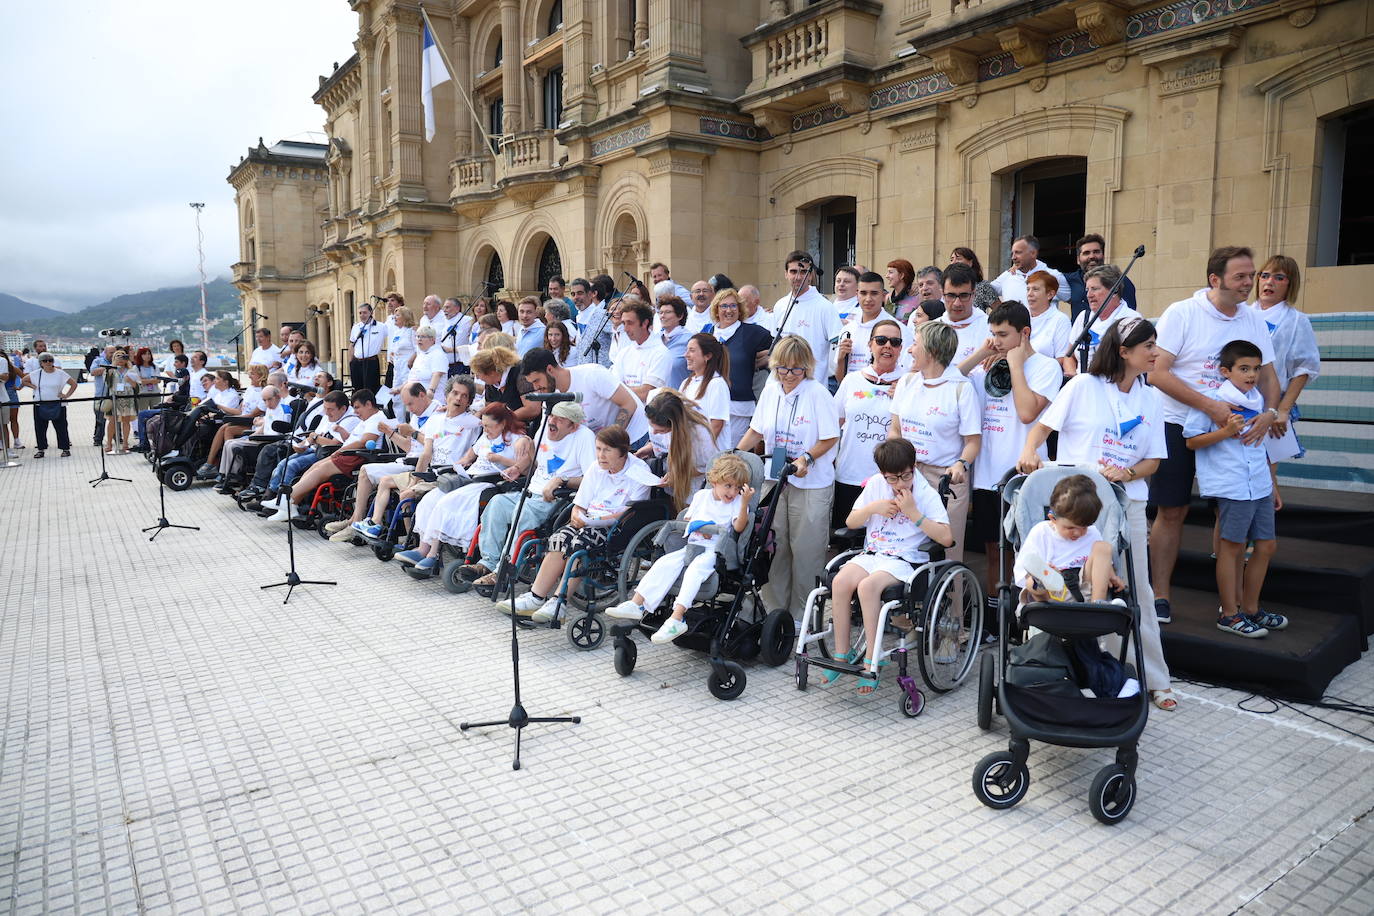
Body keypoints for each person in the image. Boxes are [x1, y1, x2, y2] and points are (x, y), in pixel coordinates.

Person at [1018, 317, 1177, 711]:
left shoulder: (1151, 398)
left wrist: (1127, 471)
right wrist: (1030, 450)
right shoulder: (1083, 386)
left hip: (1127, 501)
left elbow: (1154, 460)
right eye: (1149, 346)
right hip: (1080, 503)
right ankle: (1068, 670)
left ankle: (1154, 678)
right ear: (1124, 352)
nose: (1155, 352)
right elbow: (1042, 427)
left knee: (1136, 587)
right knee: (1073, 584)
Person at [1148, 246, 1280, 626]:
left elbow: (1269, 375)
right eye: (1241, 276)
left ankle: (1234, 606)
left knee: (1231, 511)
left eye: (1251, 275)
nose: (1249, 283)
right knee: (1172, 510)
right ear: (1215, 279)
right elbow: (1157, 374)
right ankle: (1160, 595)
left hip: (1237, 431)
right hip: (1178, 424)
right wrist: (1211, 406)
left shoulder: (1253, 319)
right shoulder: (1183, 313)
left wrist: (1270, 412)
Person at [828, 438, 954, 693]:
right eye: (892, 479)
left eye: (905, 476)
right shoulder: (876, 485)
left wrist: (914, 513)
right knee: (840, 582)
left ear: (914, 466)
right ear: (881, 474)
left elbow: (946, 538)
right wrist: (873, 508)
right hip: (874, 552)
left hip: (905, 559)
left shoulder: (925, 492)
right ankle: (842, 654)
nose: (899, 483)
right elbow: (852, 521)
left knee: (867, 587)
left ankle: (872, 659)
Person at [960, 302, 1062, 609]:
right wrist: (980, 353)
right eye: (992, 334)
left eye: (1003, 335)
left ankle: (1027, 615)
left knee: (1028, 550)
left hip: (1024, 476)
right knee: (994, 550)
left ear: (1025, 332)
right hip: (988, 474)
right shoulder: (988, 362)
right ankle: (995, 615)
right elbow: (950, 379)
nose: (997, 342)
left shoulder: (1047, 367)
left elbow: (1028, 412)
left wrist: (1016, 366)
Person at [1183, 340, 1287, 638]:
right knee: (1232, 548)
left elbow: (1263, 445)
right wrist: (1225, 432)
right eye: (1244, 368)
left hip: (1260, 484)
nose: (1252, 374)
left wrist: (1273, 484)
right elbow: (1191, 441)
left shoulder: (1258, 401)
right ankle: (1229, 614)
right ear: (1226, 371)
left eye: (1255, 368)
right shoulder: (1213, 400)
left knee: (1266, 545)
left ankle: (1251, 610)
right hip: (1232, 485)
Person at [737, 334, 840, 614]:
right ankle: (774, 611)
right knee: (775, 545)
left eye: (796, 368)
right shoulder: (771, 390)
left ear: (806, 367)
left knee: (806, 550)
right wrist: (734, 455)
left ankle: (802, 615)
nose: (789, 374)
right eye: (783, 367)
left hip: (811, 483)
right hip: (775, 479)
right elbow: (756, 430)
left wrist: (807, 457)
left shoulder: (817, 393)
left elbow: (830, 437)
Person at [512, 426, 659, 622]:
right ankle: (536, 596)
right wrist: (577, 516)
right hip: (588, 520)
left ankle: (559, 602)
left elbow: (629, 512)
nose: (600, 455)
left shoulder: (639, 472)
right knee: (559, 538)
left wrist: (597, 520)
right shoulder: (595, 468)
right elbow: (579, 503)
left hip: (615, 527)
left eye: (607, 450)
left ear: (623, 452)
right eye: (598, 449)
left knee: (579, 544)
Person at [608, 452, 755, 644]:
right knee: (664, 563)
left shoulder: (737, 503)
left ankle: (677, 618)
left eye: (737, 488)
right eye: (728, 485)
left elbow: (738, 527)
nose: (732, 492)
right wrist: (699, 525)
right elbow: (686, 519)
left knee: (694, 571)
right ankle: (637, 604)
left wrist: (744, 503)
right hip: (693, 545)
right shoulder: (702, 496)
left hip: (716, 550)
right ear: (714, 481)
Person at [461, 400, 598, 587]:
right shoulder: (545, 430)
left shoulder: (584, 438)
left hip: (555, 498)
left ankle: (502, 570)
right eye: (551, 416)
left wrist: (561, 480)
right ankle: (488, 562)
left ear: (573, 425)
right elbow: (536, 463)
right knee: (496, 503)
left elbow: (592, 480)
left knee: (521, 513)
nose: (552, 421)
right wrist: (519, 463)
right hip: (530, 493)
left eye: (559, 419)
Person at [394, 401, 534, 564]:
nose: (485, 430)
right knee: (429, 500)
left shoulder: (518, 441)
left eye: (489, 426)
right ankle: (421, 548)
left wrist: (500, 459)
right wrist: (460, 463)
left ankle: (432, 554)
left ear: (503, 424)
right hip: (470, 477)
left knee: (444, 503)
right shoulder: (486, 436)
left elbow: (525, 468)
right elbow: (470, 454)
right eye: (484, 425)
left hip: (489, 482)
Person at [890, 321, 980, 562]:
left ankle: (952, 600)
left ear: (931, 351)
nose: (909, 349)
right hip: (907, 475)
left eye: (915, 344)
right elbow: (895, 429)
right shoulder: (907, 382)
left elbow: (973, 441)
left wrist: (961, 464)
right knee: (905, 549)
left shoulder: (961, 388)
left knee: (946, 554)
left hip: (945, 480)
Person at [832, 316, 906, 530]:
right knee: (845, 539)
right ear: (870, 343)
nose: (888, 346)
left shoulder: (909, 382)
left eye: (895, 342)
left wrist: (903, 395)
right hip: (849, 474)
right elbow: (835, 423)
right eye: (881, 340)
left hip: (889, 479)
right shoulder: (852, 380)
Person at [1012, 475, 1123, 606]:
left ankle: (1098, 604)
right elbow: (1021, 574)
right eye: (1070, 527)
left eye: (1084, 527)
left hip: (1084, 587)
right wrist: (1047, 573)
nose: (1077, 532)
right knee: (1032, 582)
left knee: (1103, 548)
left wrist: (1112, 576)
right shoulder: (1041, 532)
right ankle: (1041, 579)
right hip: (1050, 595)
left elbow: (1103, 563)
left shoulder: (1092, 533)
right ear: (1053, 519)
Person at [1251, 255, 1320, 455]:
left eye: (1279, 277)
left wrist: (1282, 409)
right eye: (1265, 275)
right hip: (1237, 403)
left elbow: (1304, 368)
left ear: (1291, 284)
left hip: (1272, 404)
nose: (1269, 282)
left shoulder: (1297, 320)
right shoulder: (1241, 314)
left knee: (1265, 473)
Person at [521, 347, 649, 446]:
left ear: (550, 370)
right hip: (606, 446)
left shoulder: (592, 374)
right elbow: (545, 435)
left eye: (536, 380)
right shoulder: (550, 397)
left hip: (636, 436)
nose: (535, 387)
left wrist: (610, 439)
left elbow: (629, 404)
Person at [711, 288, 771, 447]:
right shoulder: (708, 333)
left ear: (740, 309)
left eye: (733, 306)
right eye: (724, 306)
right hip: (710, 406)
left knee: (730, 457)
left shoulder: (752, 333)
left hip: (738, 409)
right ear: (716, 309)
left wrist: (761, 361)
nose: (729, 310)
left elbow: (781, 347)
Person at [1061, 264, 1141, 376]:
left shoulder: (1131, 320)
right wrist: (1073, 375)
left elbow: (1135, 363)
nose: (1089, 295)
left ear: (1114, 290)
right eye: (1087, 290)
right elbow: (1069, 356)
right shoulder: (1083, 317)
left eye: (1095, 289)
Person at [773, 250, 842, 380]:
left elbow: (838, 349)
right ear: (785, 274)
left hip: (813, 383)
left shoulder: (825, 306)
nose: (798, 277)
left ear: (811, 275)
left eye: (804, 272)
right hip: (782, 382)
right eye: (793, 272)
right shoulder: (780, 305)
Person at [643, 389, 716, 507]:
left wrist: (677, 474)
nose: (654, 433)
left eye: (661, 430)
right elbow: (664, 441)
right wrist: (650, 447)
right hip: (672, 476)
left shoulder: (699, 435)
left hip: (692, 489)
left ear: (675, 426)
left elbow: (706, 467)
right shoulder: (656, 402)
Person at [835, 271, 911, 381]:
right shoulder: (848, 330)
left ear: (883, 296)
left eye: (874, 293)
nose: (868, 299)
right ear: (857, 294)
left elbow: (908, 373)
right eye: (863, 293)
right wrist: (841, 359)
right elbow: (841, 381)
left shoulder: (898, 331)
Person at [1063, 234, 1136, 323]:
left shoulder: (1119, 280)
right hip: (1079, 334)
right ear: (1078, 259)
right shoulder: (1070, 279)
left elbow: (1128, 316)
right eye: (1086, 253)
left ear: (1103, 255)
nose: (1092, 256)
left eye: (1096, 252)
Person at [614, 300, 671, 403]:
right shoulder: (624, 353)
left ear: (645, 323)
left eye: (630, 323)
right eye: (623, 323)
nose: (625, 329)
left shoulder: (661, 353)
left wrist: (619, 391)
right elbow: (613, 385)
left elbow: (646, 393)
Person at [990, 235, 1069, 308]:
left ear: (1033, 253)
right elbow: (983, 289)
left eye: (1018, 252)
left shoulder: (1053, 276)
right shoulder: (1008, 275)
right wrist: (1001, 311)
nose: (1013, 257)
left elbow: (1073, 300)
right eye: (1012, 253)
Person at [679, 333, 730, 447]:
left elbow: (716, 424)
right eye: (686, 350)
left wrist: (697, 449)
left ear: (707, 356)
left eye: (692, 350)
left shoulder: (717, 384)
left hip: (710, 458)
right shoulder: (686, 383)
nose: (686, 355)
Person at [938, 262, 991, 367]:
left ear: (974, 294)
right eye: (951, 295)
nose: (957, 303)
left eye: (964, 295)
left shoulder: (991, 327)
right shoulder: (931, 329)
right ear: (942, 294)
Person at [26, 352, 76, 458]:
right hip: (40, 404)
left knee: (61, 427)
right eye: (45, 360)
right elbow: (24, 380)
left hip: (58, 404)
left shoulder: (60, 373)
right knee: (40, 428)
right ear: (41, 363)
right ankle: (41, 449)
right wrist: (34, 387)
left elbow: (73, 384)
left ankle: (65, 448)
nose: (48, 362)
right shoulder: (36, 373)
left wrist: (66, 395)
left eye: (50, 360)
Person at [570, 275, 615, 368]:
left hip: (602, 373)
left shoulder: (602, 315)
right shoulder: (579, 317)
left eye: (580, 293)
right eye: (573, 294)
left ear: (590, 294)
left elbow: (617, 337)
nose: (576, 297)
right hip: (584, 375)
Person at [1025, 271, 1071, 360]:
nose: (1029, 294)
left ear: (1050, 294)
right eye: (1028, 289)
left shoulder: (1060, 320)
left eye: (1035, 289)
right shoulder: (1020, 316)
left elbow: (1061, 358)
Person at [103, 350, 139, 454]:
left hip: (128, 397)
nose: (120, 359)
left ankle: (125, 443)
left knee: (126, 421)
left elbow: (137, 385)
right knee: (112, 421)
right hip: (115, 397)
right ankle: (109, 443)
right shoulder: (111, 370)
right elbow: (107, 382)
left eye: (123, 356)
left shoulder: (131, 370)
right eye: (117, 356)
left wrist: (131, 381)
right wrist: (114, 364)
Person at [657, 296, 691, 387]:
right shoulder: (655, 339)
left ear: (680, 316)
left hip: (680, 397)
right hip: (656, 397)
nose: (662, 316)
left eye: (667, 312)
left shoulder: (690, 340)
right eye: (660, 312)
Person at [405, 327, 448, 399]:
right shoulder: (421, 354)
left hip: (431, 399)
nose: (419, 339)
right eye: (418, 336)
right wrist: (400, 389)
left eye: (423, 337)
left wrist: (430, 391)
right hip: (416, 397)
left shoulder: (438, 354)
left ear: (432, 339)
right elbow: (413, 375)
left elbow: (437, 374)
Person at [385, 306, 418, 396]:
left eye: (398, 315)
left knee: (408, 390)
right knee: (396, 393)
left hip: (407, 365)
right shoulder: (397, 332)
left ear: (405, 317)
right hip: (397, 365)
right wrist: (393, 353)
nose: (395, 317)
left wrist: (411, 360)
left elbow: (418, 349)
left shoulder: (412, 331)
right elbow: (395, 346)